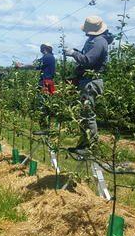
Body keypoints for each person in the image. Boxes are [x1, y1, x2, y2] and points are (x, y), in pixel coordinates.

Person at [64, 15, 114, 153]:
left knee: (88, 114)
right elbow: (87, 57)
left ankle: (91, 146)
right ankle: (84, 144)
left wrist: (74, 54)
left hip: (91, 82)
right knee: (84, 114)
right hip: (87, 80)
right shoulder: (94, 40)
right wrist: (76, 52)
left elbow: (88, 61)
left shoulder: (99, 42)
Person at [15, 43, 57, 129]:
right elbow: (36, 66)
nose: (40, 50)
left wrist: (21, 66)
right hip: (49, 82)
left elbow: (34, 64)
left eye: (41, 48)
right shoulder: (51, 57)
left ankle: (45, 128)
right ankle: (47, 127)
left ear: (44, 48)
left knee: (43, 105)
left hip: (45, 83)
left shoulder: (47, 57)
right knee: (47, 104)